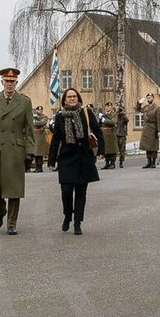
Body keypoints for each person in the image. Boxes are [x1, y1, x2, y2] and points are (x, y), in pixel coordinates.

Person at [0, 67, 35, 235]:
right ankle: (1, 210)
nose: (9, 84)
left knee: (14, 188)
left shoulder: (24, 102)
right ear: (2, 82)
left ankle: (12, 222)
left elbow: (30, 129)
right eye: (7, 81)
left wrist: (30, 151)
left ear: (16, 82)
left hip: (16, 149)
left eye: (12, 82)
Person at [47, 87, 104, 235]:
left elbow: (97, 131)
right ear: (64, 100)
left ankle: (78, 222)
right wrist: (51, 160)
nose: (72, 99)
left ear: (78, 98)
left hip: (84, 156)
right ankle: (67, 215)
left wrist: (101, 151)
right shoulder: (60, 117)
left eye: (74, 96)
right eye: (69, 97)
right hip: (66, 156)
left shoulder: (86, 113)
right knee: (66, 190)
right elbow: (56, 139)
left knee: (81, 192)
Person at [138, 94, 160, 168]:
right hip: (146, 128)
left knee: (153, 146)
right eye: (147, 98)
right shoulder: (146, 107)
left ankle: (153, 162)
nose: (149, 99)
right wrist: (139, 103)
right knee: (147, 146)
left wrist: (159, 130)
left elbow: (159, 120)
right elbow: (138, 109)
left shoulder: (157, 108)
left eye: (150, 98)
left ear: (153, 98)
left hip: (153, 128)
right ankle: (148, 161)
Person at [100, 102, 119, 169]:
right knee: (106, 149)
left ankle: (112, 163)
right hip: (104, 133)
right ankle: (107, 163)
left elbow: (113, 122)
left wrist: (105, 121)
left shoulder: (114, 114)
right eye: (106, 106)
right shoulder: (103, 115)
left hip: (111, 133)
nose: (108, 107)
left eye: (109, 106)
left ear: (111, 107)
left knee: (112, 149)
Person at [32, 106, 49, 172]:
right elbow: (32, 123)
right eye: (38, 110)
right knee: (35, 153)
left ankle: (40, 167)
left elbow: (42, 123)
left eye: (41, 110)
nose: (40, 111)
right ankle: (37, 167)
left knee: (40, 153)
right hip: (35, 136)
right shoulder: (33, 117)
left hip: (41, 137)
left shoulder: (44, 117)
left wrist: (36, 122)